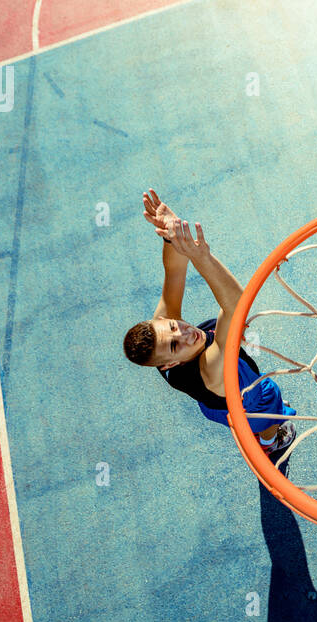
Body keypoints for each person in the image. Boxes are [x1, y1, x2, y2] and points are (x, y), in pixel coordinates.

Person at [122, 189, 296, 459]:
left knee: (224, 348)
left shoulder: (162, 337)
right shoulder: (211, 368)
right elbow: (236, 306)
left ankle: (254, 428)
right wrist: (202, 257)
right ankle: (271, 440)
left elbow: (175, 271)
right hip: (247, 400)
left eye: (172, 327)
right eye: (175, 345)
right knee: (267, 415)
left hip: (215, 404)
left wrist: (172, 236)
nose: (184, 333)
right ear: (170, 364)